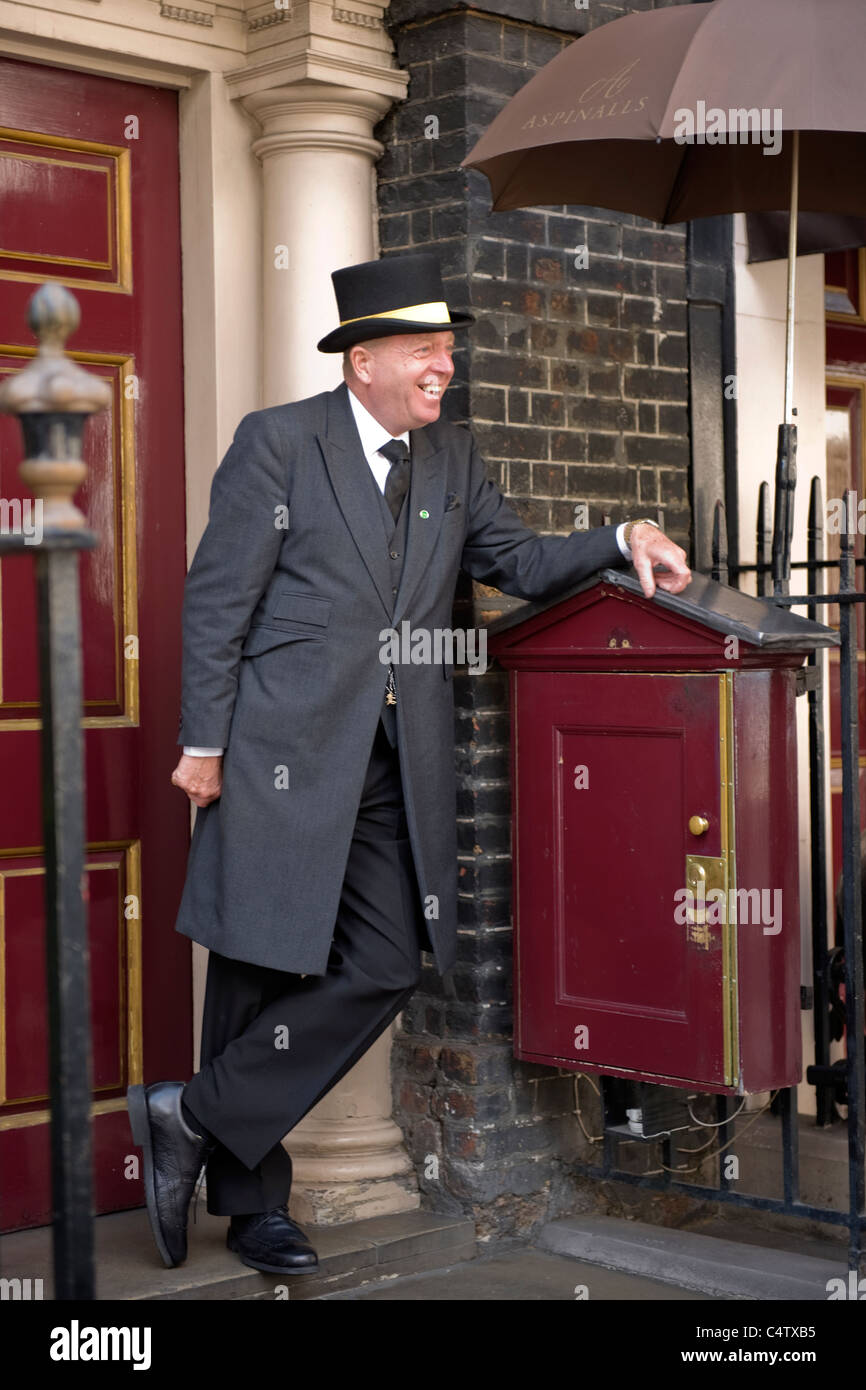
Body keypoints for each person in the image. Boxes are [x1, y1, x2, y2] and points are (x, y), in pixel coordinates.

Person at [127, 251, 691, 1277]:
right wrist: (202, 744)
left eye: (446, 351)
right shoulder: (278, 444)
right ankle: (253, 1207)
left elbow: (514, 564)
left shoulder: (452, 461)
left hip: (394, 766)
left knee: (386, 961)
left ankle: (189, 1114)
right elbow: (218, 604)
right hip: (279, 753)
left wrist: (620, 534)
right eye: (426, 351)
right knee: (259, 967)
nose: (444, 368)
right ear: (364, 360)